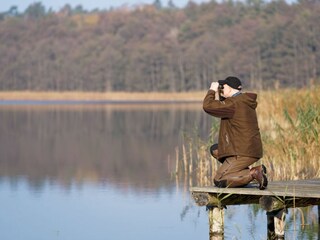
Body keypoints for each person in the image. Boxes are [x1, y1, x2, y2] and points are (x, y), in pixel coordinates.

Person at [203, 76, 268, 190]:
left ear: (230, 88)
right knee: (216, 150)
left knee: (219, 180)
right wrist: (219, 93)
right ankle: (242, 173)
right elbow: (221, 106)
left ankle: (253, 173)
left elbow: (208, 106)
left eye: (223, 86)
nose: (221, 89)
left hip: (243, 151)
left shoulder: (234, 104)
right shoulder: (241, 101)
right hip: (246, 148)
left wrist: (212, 90)